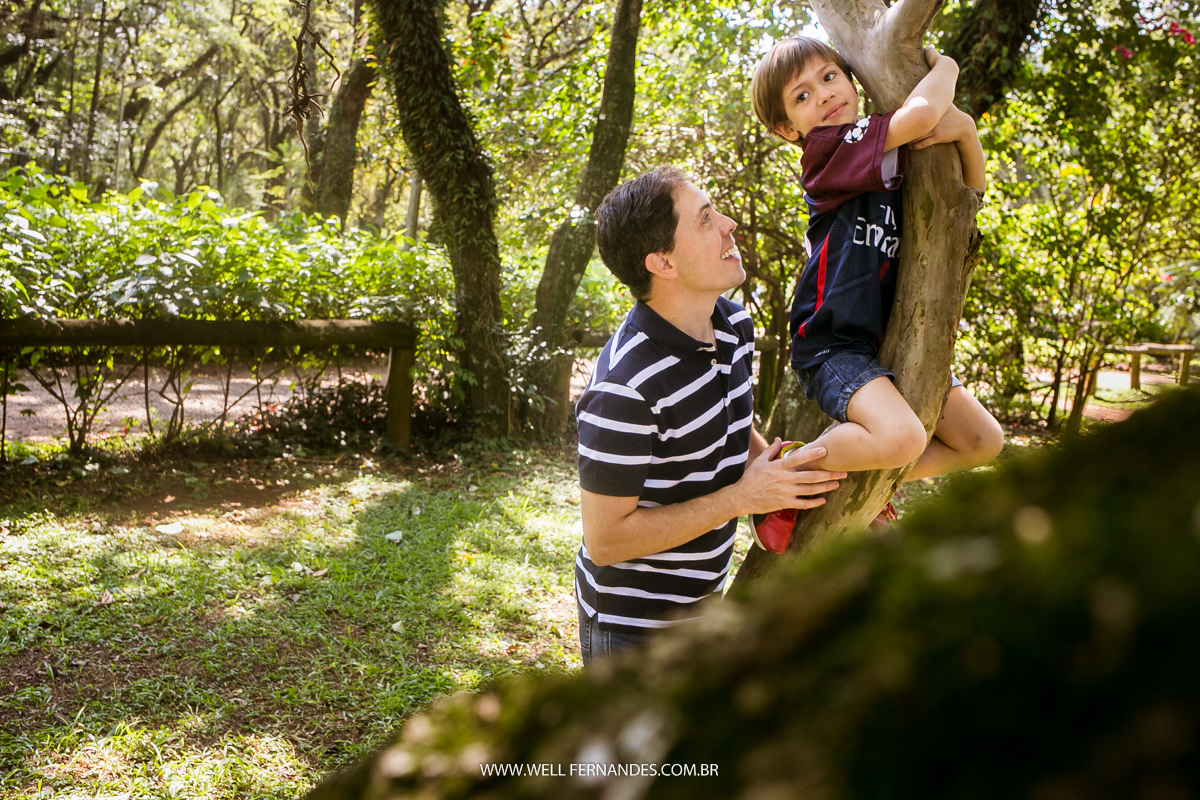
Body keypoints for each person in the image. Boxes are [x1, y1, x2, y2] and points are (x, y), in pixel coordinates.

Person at [574, 166, 846, 666]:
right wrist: (743, 497)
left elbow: (731, 426)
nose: (728, 225)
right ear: (663, 263)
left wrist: (781, 474)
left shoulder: (733, 323)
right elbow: (606, 539)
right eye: (704, 220)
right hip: (633, 631)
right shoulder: (624, 387)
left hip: (704, 607)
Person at [749, 37, 1004, 499]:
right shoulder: (827, 153)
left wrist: (966, 132)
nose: (824, 94)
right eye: (802, 96)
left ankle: (859, 484)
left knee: (983, 442)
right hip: (833, 343)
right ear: (789, 130)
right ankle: (795, 470)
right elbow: (924, 116)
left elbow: (967, 196)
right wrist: (947, 66)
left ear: (852, 80)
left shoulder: (880, 146)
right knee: (903, 437)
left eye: (829, 77)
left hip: (889, 338)